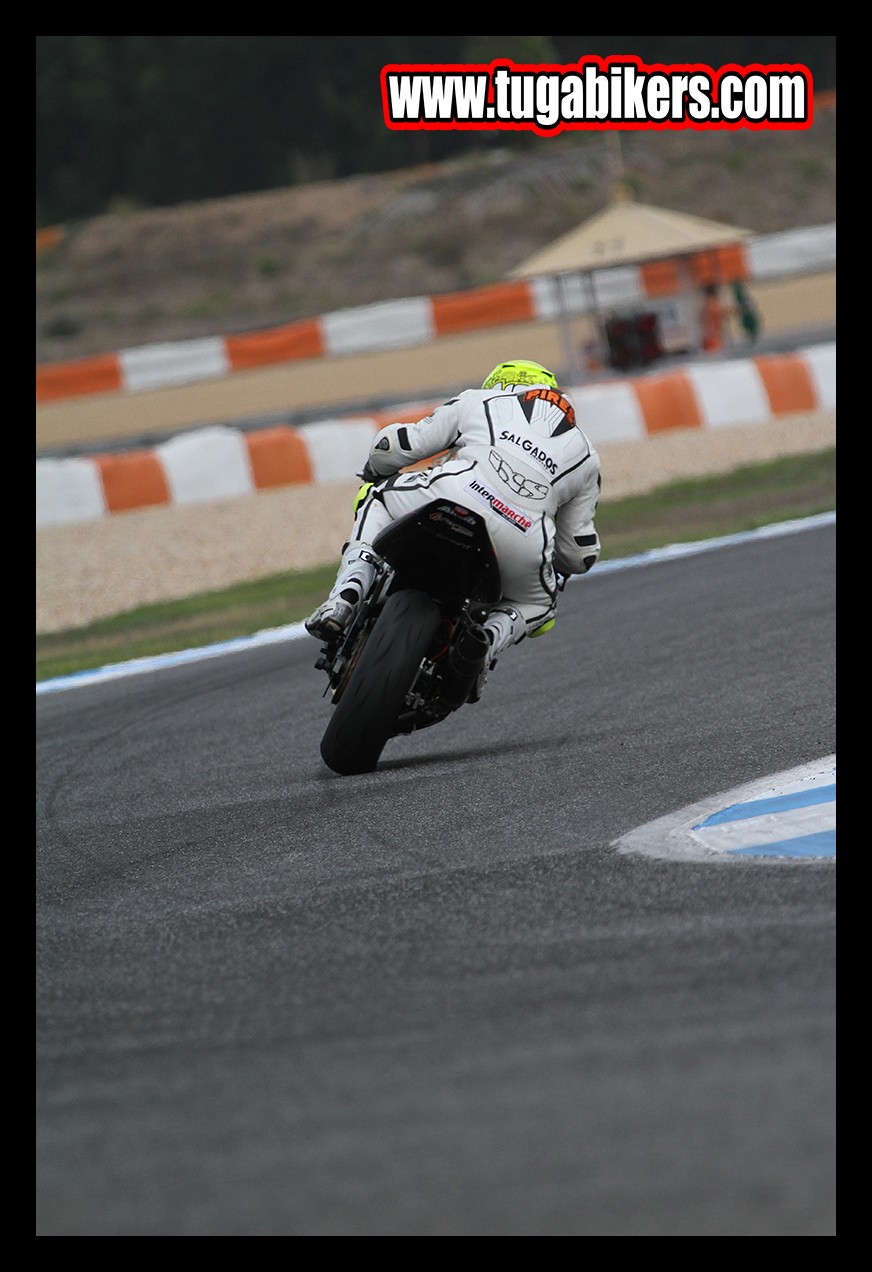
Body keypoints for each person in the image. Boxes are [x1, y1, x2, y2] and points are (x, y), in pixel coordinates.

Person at [305, 358, 602, 666]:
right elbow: (579, 553)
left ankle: (346, 595)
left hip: (451, 496)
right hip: (524, 539)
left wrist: (374, 468)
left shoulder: (481, 399)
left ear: (500, 383)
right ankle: (486, 642)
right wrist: (558, 566)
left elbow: (396, 446)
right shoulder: (587, 455)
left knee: (376, 497)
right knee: (539, 605)